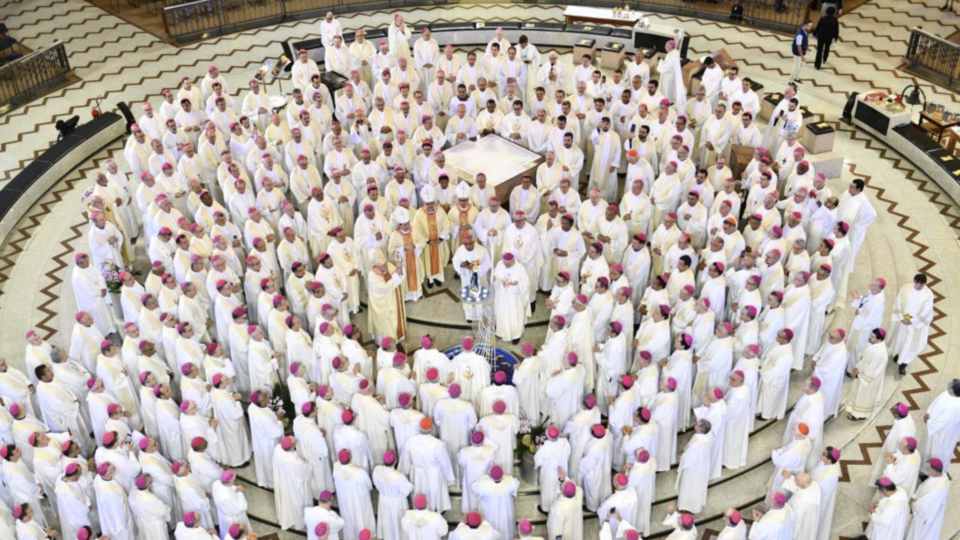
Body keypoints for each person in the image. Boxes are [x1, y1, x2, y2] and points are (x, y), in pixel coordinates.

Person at [889, 273, 934, 375]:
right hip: (903, 321)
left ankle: (903, 365)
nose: (917, 286)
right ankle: (898, 355)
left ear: (924, 284)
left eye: (920, 285)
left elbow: (926, 311)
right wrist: (901, 317)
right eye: (916, 283)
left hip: (915, 325)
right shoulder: (906, 288)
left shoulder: (928, 294)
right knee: (900, 340)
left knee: (910, 345)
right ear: (914, 281)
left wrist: (912, 321)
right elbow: (898, 301)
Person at [845, 328, 888, 420]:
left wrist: (858, 373)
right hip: (861, 373)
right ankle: (854, 410)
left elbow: (873, 370)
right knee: (857, 393)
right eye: (871, 335)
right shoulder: (872, 343)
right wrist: (857, 368)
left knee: (863, 397)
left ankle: (859, 415)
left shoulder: (881, 354)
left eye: (872, 337)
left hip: (868, 380)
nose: (870, 337)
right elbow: (864, 357)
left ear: (879, 339)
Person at [919, 379, 960, 472]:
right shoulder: (947, 393)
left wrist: (929, 422)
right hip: (932, 425)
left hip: (940, 433)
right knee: (926, 447)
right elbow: (936, 402)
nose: (948, 386)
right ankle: (923, 464)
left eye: (950, 386)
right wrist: (928, 413)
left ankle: (931, 470)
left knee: (935, 452)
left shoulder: (955, 407)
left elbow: (943, 422)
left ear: (953, 391)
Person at [905, 457, 949, 540]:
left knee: (917, 535)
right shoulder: (939, 476)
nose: (927, 471)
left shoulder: (938, 489)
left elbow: (924, 506)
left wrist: (913, 503)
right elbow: (923, 487)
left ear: (934, 470)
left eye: (928, 469)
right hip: (923, 511)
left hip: (925, 518)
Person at [273, 436, 311, 530]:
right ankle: (299, 521)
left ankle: (288, 519)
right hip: (294, 484)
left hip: (283, 480)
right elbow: (306, 474)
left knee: (286, 499)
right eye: (295, 440)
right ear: (291, 447)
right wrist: (308, 464)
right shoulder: (296, 461)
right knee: (296, 500)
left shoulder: (278, 449)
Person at [472, 465, 519, 540]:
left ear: (490, 476)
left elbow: (474, 488)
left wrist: (484, 477)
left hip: (489, 515)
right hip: (505, 515)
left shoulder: (483, 484)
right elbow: (516, 486)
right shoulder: (510, 481)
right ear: (502, 475)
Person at [782, 472, 821, 540]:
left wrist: (792, 536)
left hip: (802, 526)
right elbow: (799, 487)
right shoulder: (813, 485)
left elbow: (797, 521)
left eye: (795, 480)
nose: (794, 480)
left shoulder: (801, 503)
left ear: (802, 485)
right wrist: (790, 477)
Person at [790, 20, 813, 84]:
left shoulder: (805, 31)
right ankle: (790, 80)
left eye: (811, 26)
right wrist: (802, 56)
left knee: (801, 65)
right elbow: (798, 46)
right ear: (805, 25)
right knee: (796, 66)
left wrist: (806, 47)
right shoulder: (800, 35)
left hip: (802, 51)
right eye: (809, 26)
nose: (810, 27)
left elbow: (805, 40)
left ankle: (796, 78)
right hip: (798, 53)